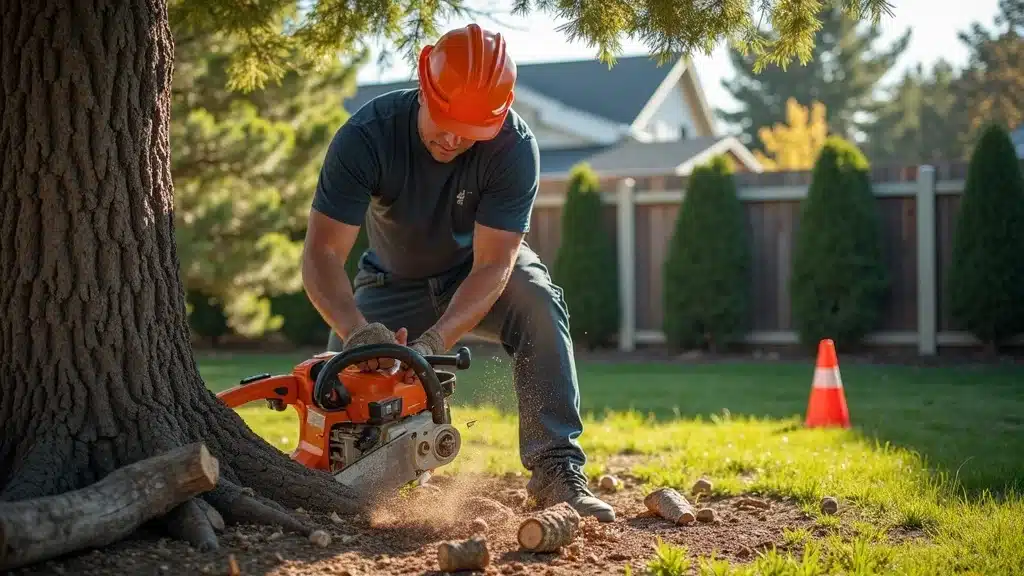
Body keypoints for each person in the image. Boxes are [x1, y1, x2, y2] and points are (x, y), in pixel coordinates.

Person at [300, 23, 615, 523]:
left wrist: (435, 340)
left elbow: (495, 263)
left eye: (469, 132)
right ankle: (368, 480)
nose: (451, 138)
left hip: (474, 280)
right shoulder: (367, 136)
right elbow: (320, 255)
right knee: (338, 398)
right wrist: (356, 331)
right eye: (444, 120)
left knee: (537, 299)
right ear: (425, 84)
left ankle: (557, 469)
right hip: (388, 284)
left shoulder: (513, 148)